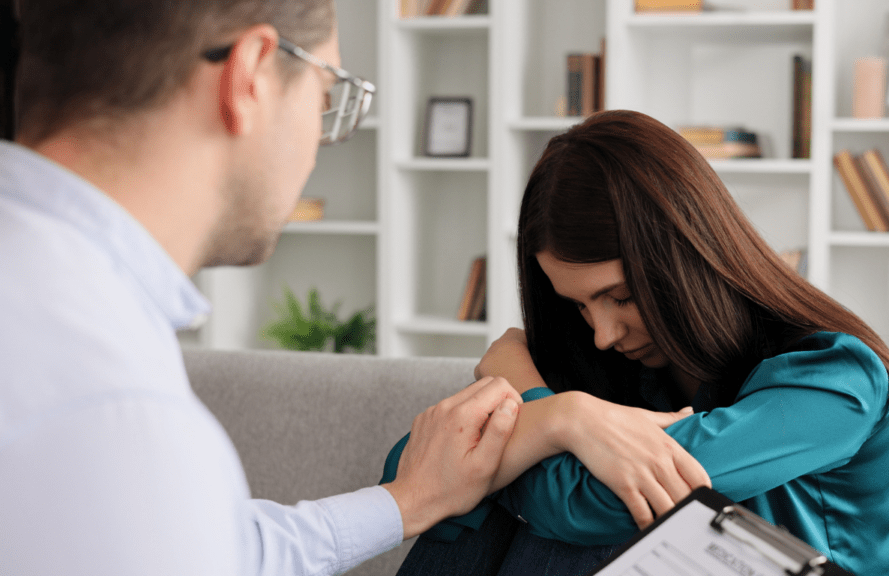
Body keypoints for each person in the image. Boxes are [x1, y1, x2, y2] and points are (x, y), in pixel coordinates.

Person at [0, 1, 525, 574]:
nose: (320, 144)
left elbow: (211, 545)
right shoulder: (113, 408)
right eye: (326, 98)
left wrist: (406, 501)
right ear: (248, 76)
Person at [382, 109, 889, 576]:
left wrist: (533, 397)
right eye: (578, 305)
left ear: (686, 260)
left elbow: (595, 507)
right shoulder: (623, 366)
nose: (601, 334)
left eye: (619, 297)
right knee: (493, 510)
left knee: (578, 516)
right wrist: (563, 420)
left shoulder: (835, 379)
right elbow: (411, 473)